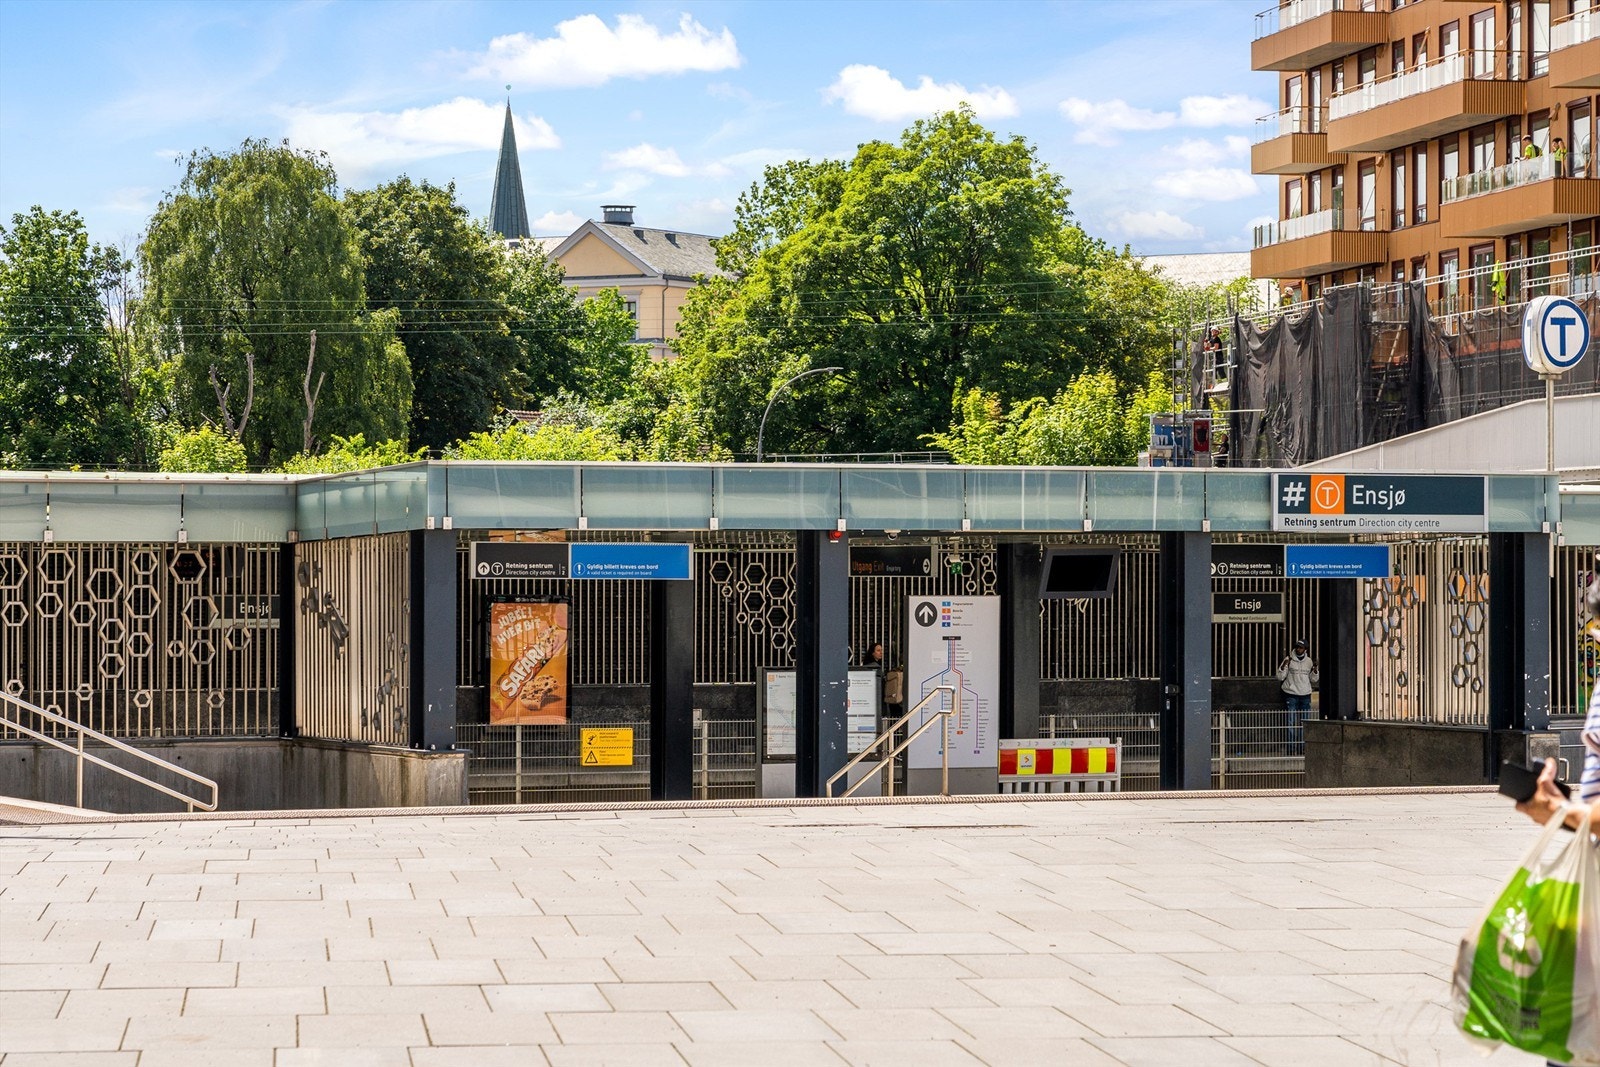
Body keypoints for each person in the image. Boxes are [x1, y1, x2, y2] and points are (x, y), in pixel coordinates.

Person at [1277, 639, 1319, 751]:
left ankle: (1302, 748)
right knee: (1290, 722)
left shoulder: (1309, 662)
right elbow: (1280, 677)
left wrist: (1315, 670)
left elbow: (1313, 679)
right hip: (1291, 694)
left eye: (1300, 647)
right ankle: (1291, 749)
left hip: (1305, 694)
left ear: (1305, 649)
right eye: (1297, 647)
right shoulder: (1289, 659)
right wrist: (1283, 666)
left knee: (1304, 723)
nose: (1298, 649)